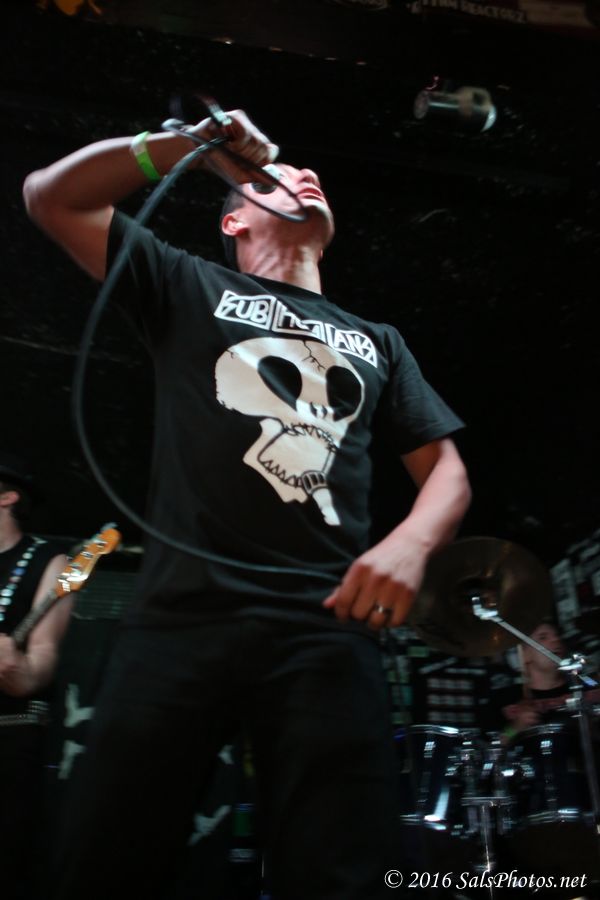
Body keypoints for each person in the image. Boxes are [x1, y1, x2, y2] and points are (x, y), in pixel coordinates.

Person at [23, 108, 472, 900]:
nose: (308, 177)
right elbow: (51, 197)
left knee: (340, 872)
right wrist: (189, 146)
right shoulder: (191, 284)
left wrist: (411, 544)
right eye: (283, 178)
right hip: (182, 615)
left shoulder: (377, 339)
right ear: (234, 218)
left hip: (325, 623)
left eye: (313, 176)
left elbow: (448, 471)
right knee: (106, 857)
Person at [0, 452, 70, 900]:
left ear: (7, 497)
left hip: (9, 737)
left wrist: (17, 668)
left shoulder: (48, 561)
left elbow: (40, 665)